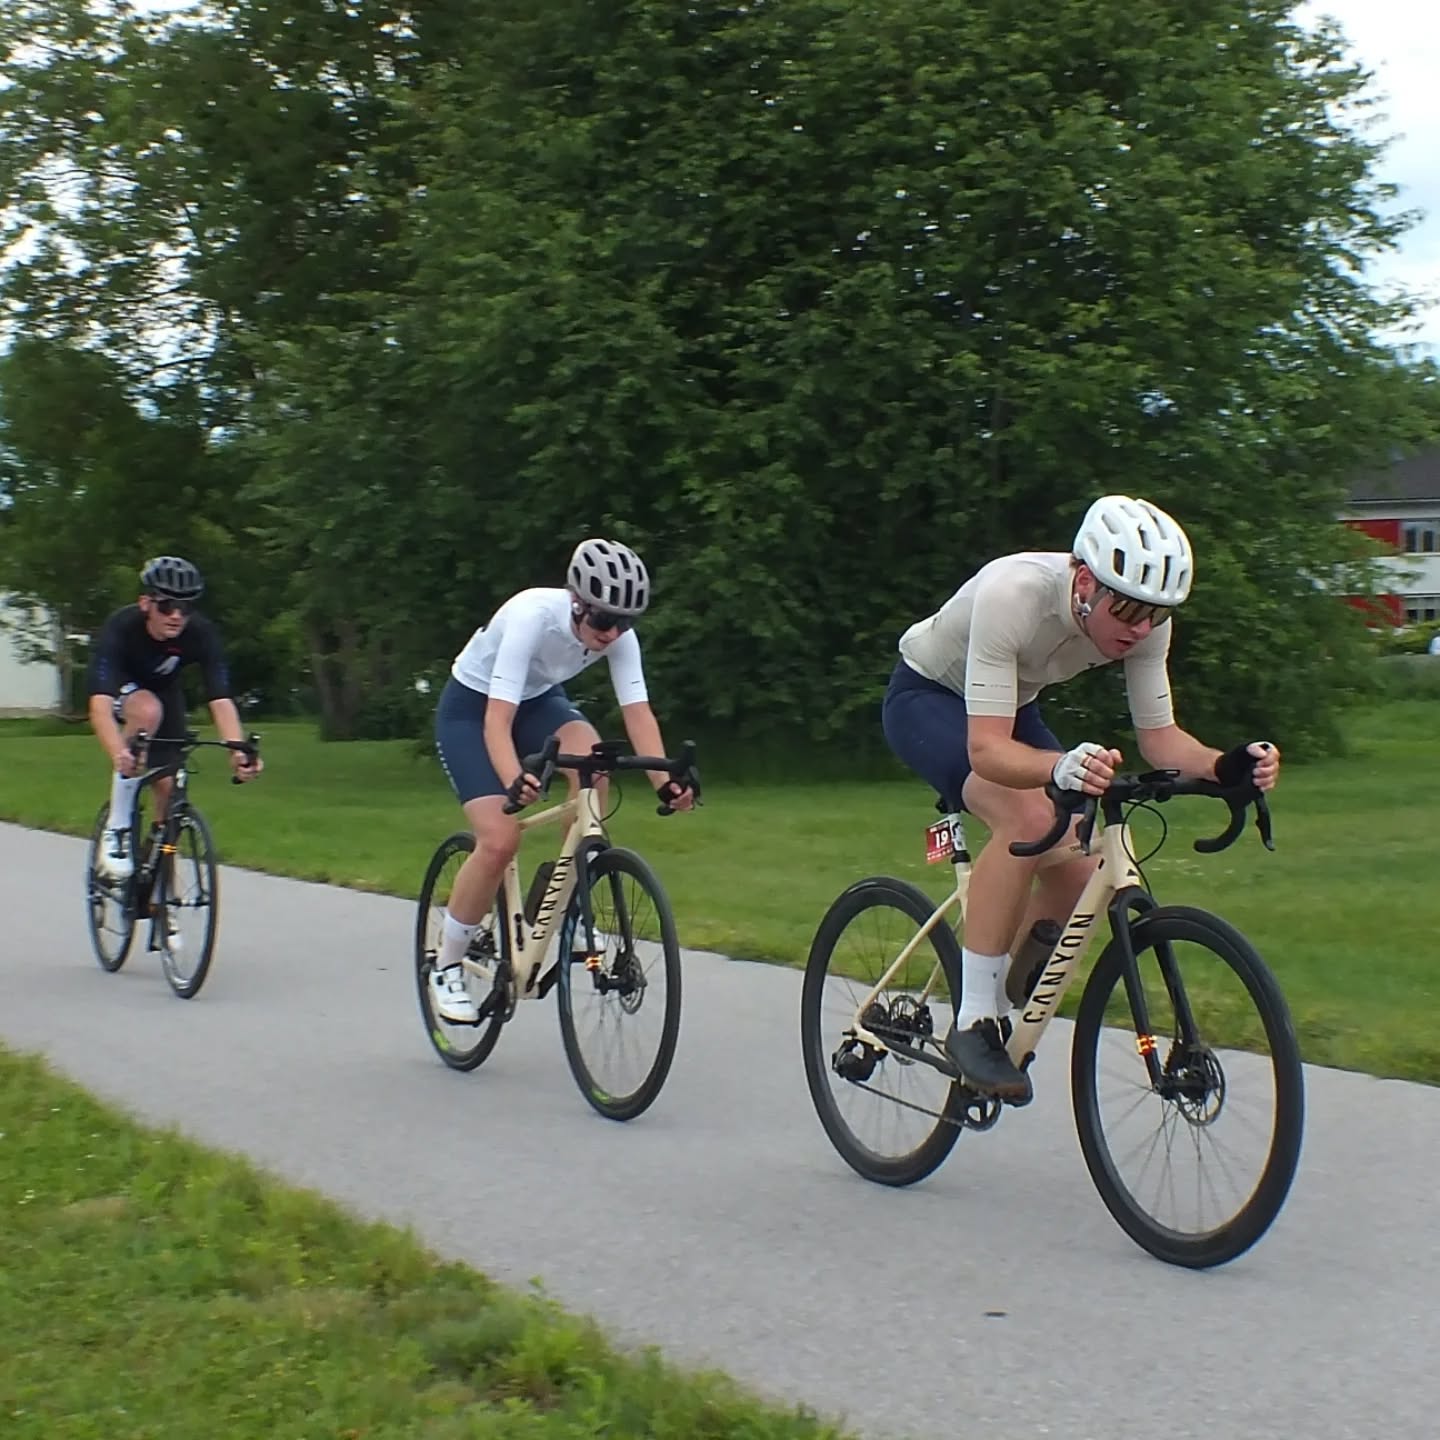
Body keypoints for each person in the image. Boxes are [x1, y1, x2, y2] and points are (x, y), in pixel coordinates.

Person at [882, 496, 1280, 1103]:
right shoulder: (1014, 594)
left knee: (1083, 858)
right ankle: (974, 1019)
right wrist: (1060, 765)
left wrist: (1225, 765)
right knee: (1028, 816)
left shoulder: (1144, 625)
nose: (1141, 627)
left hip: (1012, 705)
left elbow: (1160, 739)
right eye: (1128, 609)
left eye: (1156, 613)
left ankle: (1005, 993)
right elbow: (988, 750)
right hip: (928, 698)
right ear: (1086, 582)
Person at [429, 537, 695, 1023]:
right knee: (500, 839)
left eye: (625, 622)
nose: (612, 633)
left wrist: (665, 781)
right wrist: (514, 780)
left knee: (595, 763)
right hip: (472, 708)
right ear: (576, 603)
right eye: (604, 620)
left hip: (538, 701)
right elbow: (496, 722)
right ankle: (446, 965)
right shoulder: (531, 615)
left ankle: (566, 902)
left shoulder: (618, 637)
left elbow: (638, 714)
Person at [88, 556, 262, 887]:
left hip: (166, 694)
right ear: (146, 603)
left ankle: (157, 884)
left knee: (169, 792)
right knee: (147, 710)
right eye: (167, 606)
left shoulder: (200, 633)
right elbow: (99, 707)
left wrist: (237, 750)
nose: (176, 616)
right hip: (122, 688)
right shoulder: (122, 627)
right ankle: (117, 827)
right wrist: (118, 753)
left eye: (186, 607)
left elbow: (220, 698)